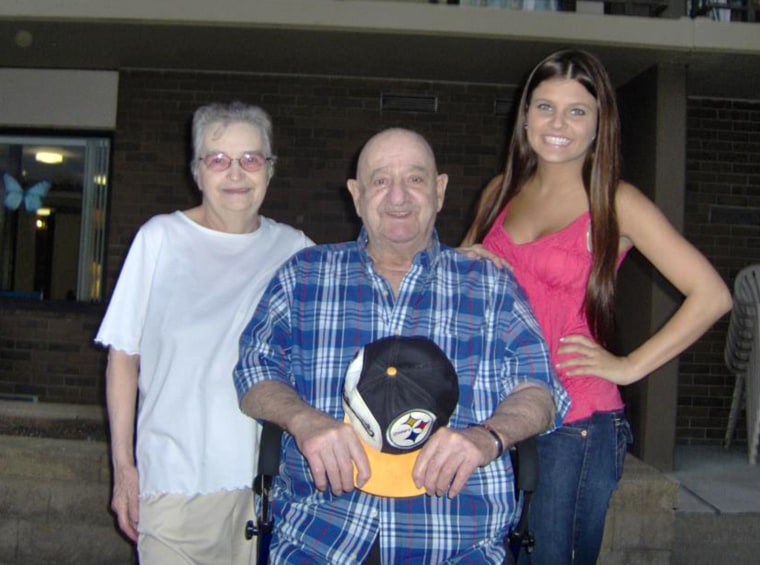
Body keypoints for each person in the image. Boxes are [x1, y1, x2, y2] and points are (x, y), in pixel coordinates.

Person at [233, 127, 570, 564]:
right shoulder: (305, 276)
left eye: (414, 179)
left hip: (456, 544)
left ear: (440, 189)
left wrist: (486, 438)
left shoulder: (491, 286)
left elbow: (540, 392)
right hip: (322, 539)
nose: (398, 197)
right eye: (379, 180)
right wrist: (302, 420)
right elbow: (254, 370)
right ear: (356, 195)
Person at [462, 49, 733, 565]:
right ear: (525, 116)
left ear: (599, 123)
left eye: (577, 110)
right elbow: (461, 296)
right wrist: (463, 261)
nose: (558, 123)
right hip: (496, 411)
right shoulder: (500, 192)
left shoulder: (616, 201)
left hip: (576, 422)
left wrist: (628, 367)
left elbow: (712, 295)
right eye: (545, 107)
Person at [94, 101, 312, 564]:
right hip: (174, 487)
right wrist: (124, 467)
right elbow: (122, 358)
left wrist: (464, 256)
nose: (236, 173)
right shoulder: (160, 239)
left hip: (268, 490)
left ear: (270, 170)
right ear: (197, 171)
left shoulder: (295, 250)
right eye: (218, 159)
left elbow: (367, 283)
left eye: (251, 158)